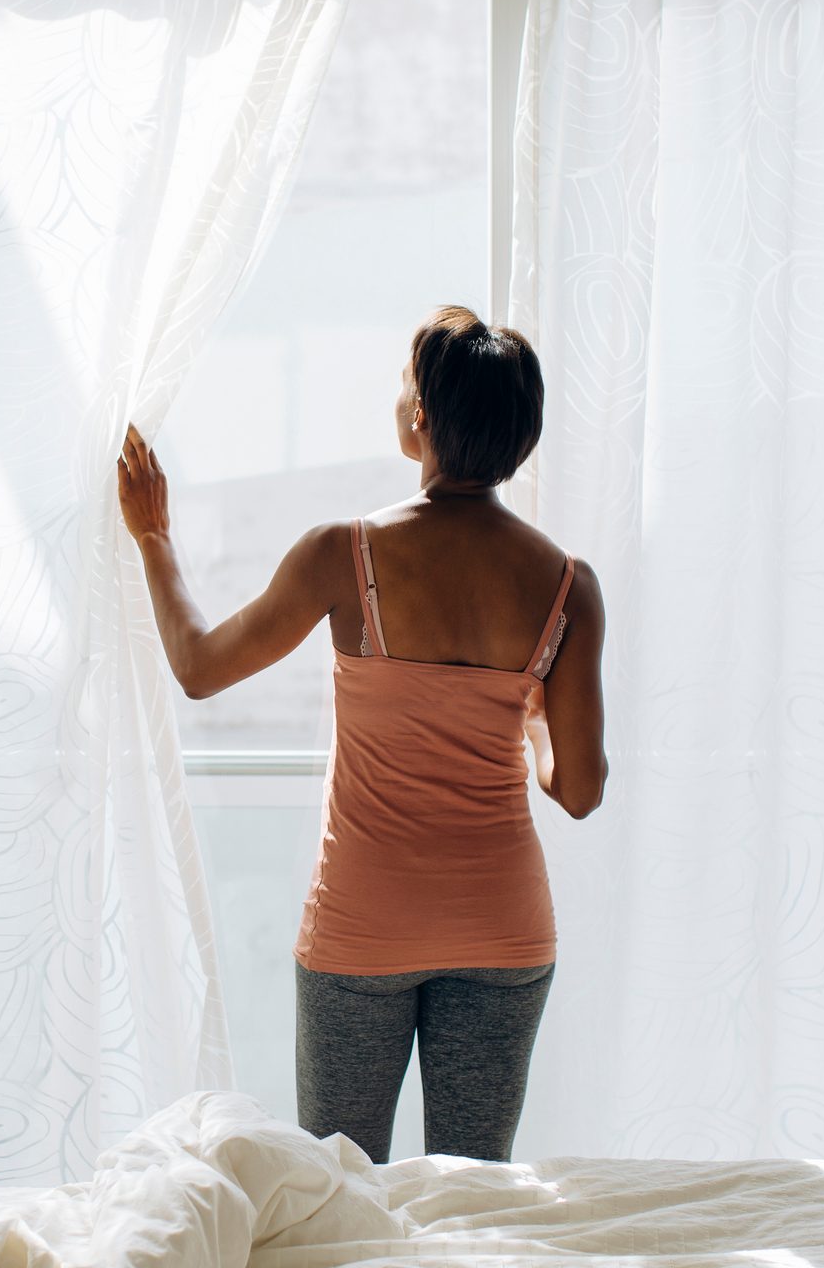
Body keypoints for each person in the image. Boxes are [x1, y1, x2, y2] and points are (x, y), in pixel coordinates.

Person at [116, 304, 608, 1165]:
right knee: (469, 1198)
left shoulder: (341, 554)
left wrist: (153, 537)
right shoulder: (568, 587)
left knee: (339, 1195)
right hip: (502, 929)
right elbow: (578, 791)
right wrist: (530, 722)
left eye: (404, 385)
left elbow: (197, 666)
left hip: (362, 929)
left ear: (420, 418)